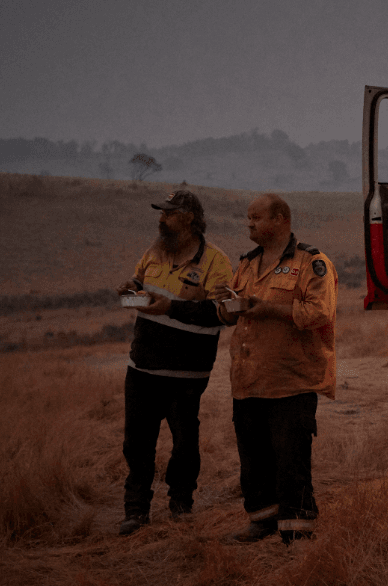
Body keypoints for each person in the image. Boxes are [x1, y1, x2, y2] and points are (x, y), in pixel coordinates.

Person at [215, 193, 337, 545]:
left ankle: (297, 534)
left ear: (281, 218)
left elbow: (319, 312)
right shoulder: (247, 264)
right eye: (248, 218)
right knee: (253, 460)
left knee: (290, 460)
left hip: (290, 382)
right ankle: (262, 521)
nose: (249, 223)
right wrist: (225, 308)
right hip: (248, 380)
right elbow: (230, 312)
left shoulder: (312, 263)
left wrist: (267, 308)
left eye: (256, 217)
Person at [114, 190, 234, 536]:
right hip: (142, 367)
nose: (161, 219)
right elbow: (140, 282)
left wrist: (171, 307)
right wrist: (130, 287)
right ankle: (135, 511)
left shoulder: (216, 262)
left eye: (169, 213)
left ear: (190, 218)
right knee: (136, 444)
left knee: (184, 443)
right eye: (161, 213)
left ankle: (181, 504)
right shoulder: (154, 251)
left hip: (187, 372)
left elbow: (221, 314)